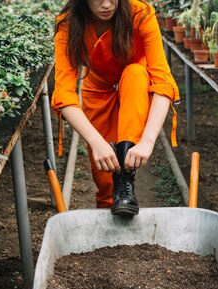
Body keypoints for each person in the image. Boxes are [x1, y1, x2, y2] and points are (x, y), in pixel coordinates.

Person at [52, 0, 179, 216]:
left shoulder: (140, 14)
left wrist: (147, 142)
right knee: (104, 177)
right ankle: (108, 229)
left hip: (136, 85)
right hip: (98, 89)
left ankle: (126, 181)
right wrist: (96, 141)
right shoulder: (67, 24)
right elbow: (64, 93)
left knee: (136, 73)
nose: (107, 4)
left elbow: (163, 81)